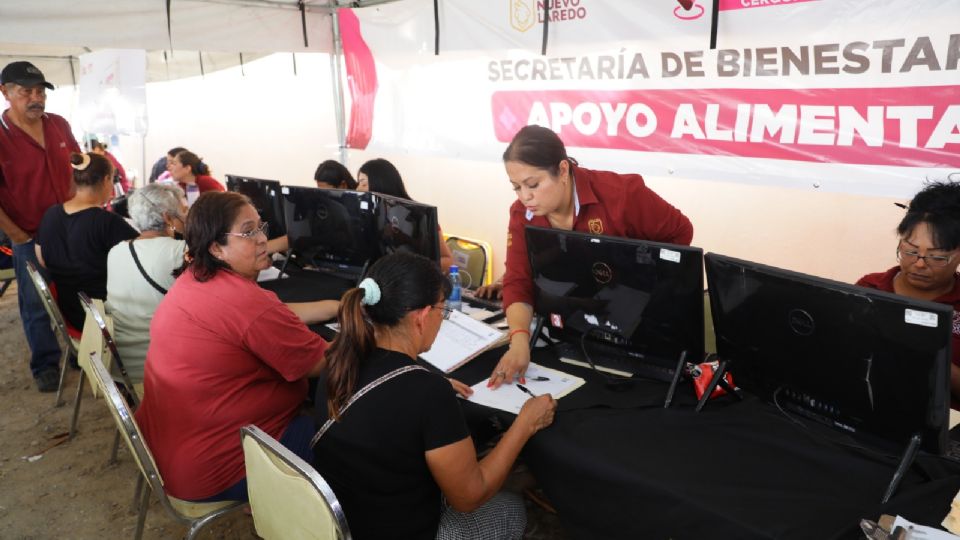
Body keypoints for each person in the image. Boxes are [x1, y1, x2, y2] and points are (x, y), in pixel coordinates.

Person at [312, 252, 556, 539]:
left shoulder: (339, 363)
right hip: (404, 530)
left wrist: (424, 383)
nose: (442, 318)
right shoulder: (427, 393)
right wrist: (525, 423)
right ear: (422, 316)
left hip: (344, 522)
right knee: (512, 508)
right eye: (443, 310)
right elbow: (469, 497)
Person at [134, 191, 338, 502]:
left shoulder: (196, 279)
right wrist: (367, 333)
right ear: (216, 248)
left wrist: (337, 307)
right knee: (345, 440)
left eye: (261, 227)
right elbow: (320, 362)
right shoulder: (245, 303)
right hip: (219, 466)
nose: (263, 239)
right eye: (248, 232)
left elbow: (269, 315)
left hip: (170, 452)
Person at [488, 125, 694, 388]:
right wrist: (519, 341)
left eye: (533, 185)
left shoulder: (622, 195)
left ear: (563, 170)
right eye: (516, 187)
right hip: (572, 327)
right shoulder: (521, 213)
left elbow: (681, 232)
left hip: (636, 324)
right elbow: (518, 279)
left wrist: (648, 279)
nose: (525, 197)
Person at [0, 61, 82, 391]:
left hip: (70, 228)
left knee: (77, 293)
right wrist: (17, 235)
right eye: (26, 92)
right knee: (36, 301)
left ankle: (80, 350)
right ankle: (45, 364)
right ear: (5, 92)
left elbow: (78, 165)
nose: (36, 98)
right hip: (28, 234)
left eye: (40, 92)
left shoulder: (58, 124)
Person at [856, 179, 960, 406]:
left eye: (937, 257)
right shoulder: (870, 288)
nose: (920, 264)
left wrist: (933, 357)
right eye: (910, 251)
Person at [35, 152, 139, 330]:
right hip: (104, 318)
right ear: (106, 180)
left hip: (69, 312)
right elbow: (142, 260)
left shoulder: (51, 214)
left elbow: (42, 260)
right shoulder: (107, 222)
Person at [105, 183, 188, 383]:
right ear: (168, 218)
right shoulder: (180, 251)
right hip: (161, 369)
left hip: (120, 365)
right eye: (184, 211)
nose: (187, 217)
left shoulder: (116, 251)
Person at [357, 158, 455, 272]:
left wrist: (412, 269)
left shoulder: (419, 215)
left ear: (381, 183)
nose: (358, 189)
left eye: (363, 184)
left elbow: (447, 260)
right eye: (358, 183)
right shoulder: (366, 216)